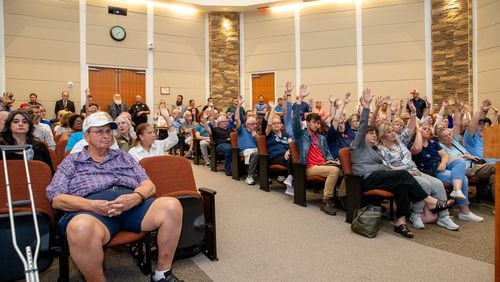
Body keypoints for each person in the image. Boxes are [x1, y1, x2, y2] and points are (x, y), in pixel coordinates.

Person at [45, 112, 183, 282]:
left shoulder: (124, 157)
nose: (106, 135)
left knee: (172, 205)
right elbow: (56, 198)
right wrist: (92, 206)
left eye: (109, 131)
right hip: (92, 212)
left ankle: (162, 274)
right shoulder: (72, 161)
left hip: (131, 205)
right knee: (80, 227)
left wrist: (136, 196)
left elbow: (149, 185)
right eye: (99, 131)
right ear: (86, 136)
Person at [351, 88, 453, 238]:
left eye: (375, 133)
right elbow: (362, 128)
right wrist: (367, 106)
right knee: (403, 175)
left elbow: (386, 165)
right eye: (370, 133)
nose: (374, 136)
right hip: (368, 178)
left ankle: (401, 222)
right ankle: (430, 201)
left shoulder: (376, 150)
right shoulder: (358, 145)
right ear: (363, 136)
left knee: (401, 185)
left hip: (383, 176)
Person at [378, 121, 459, 230]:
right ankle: (416, 214)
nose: (393, 133)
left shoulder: (399, 142)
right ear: (383, 135)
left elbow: (410, 129)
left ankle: (444, 217)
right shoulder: (380, 148)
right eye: (389, 132)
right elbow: (387, 168)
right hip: (403, 174)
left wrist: (414, 114)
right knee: (425, 184)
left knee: (438, 184)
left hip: (415, 170)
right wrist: (407, 172)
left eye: (393, 131)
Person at [411, 122, 484, 222]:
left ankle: (457, 190)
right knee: (464, 178)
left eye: (428, 128)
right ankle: (464, 212)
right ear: (417, 131)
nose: (428, 130)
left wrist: (443, 164)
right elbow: (417, 149)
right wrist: (418, 132)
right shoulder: (413, 144)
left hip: (441, 166)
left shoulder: (433, 142)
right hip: (430, 171)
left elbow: (445, 155)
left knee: (460, 161)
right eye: (424, 129)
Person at [292, 84, 341, 216]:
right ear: (307, 123)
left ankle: (341, 198)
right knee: (334, 170)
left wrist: (331, 160)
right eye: (314, 122)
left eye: (318, 123)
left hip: (322, 164)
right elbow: (295, 122)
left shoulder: (321, 138)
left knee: (342, 169)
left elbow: (327, 153)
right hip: (310, 167)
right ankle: (326, 200)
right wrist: (300, 99)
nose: (317, 125)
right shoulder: (302, 135)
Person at [234, 96, 259, 185]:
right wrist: (239, 105)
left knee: (262, 153)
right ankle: (250, 176)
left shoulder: (255, 132)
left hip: (255, 150)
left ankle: (266, 176)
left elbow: (259, 144)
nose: (255, 126)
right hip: (244, 151)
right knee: (256, 154)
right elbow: (237, 119)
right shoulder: (242, 130)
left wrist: (255, 135)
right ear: (247, 124)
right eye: (253, 124)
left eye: (255, 124)